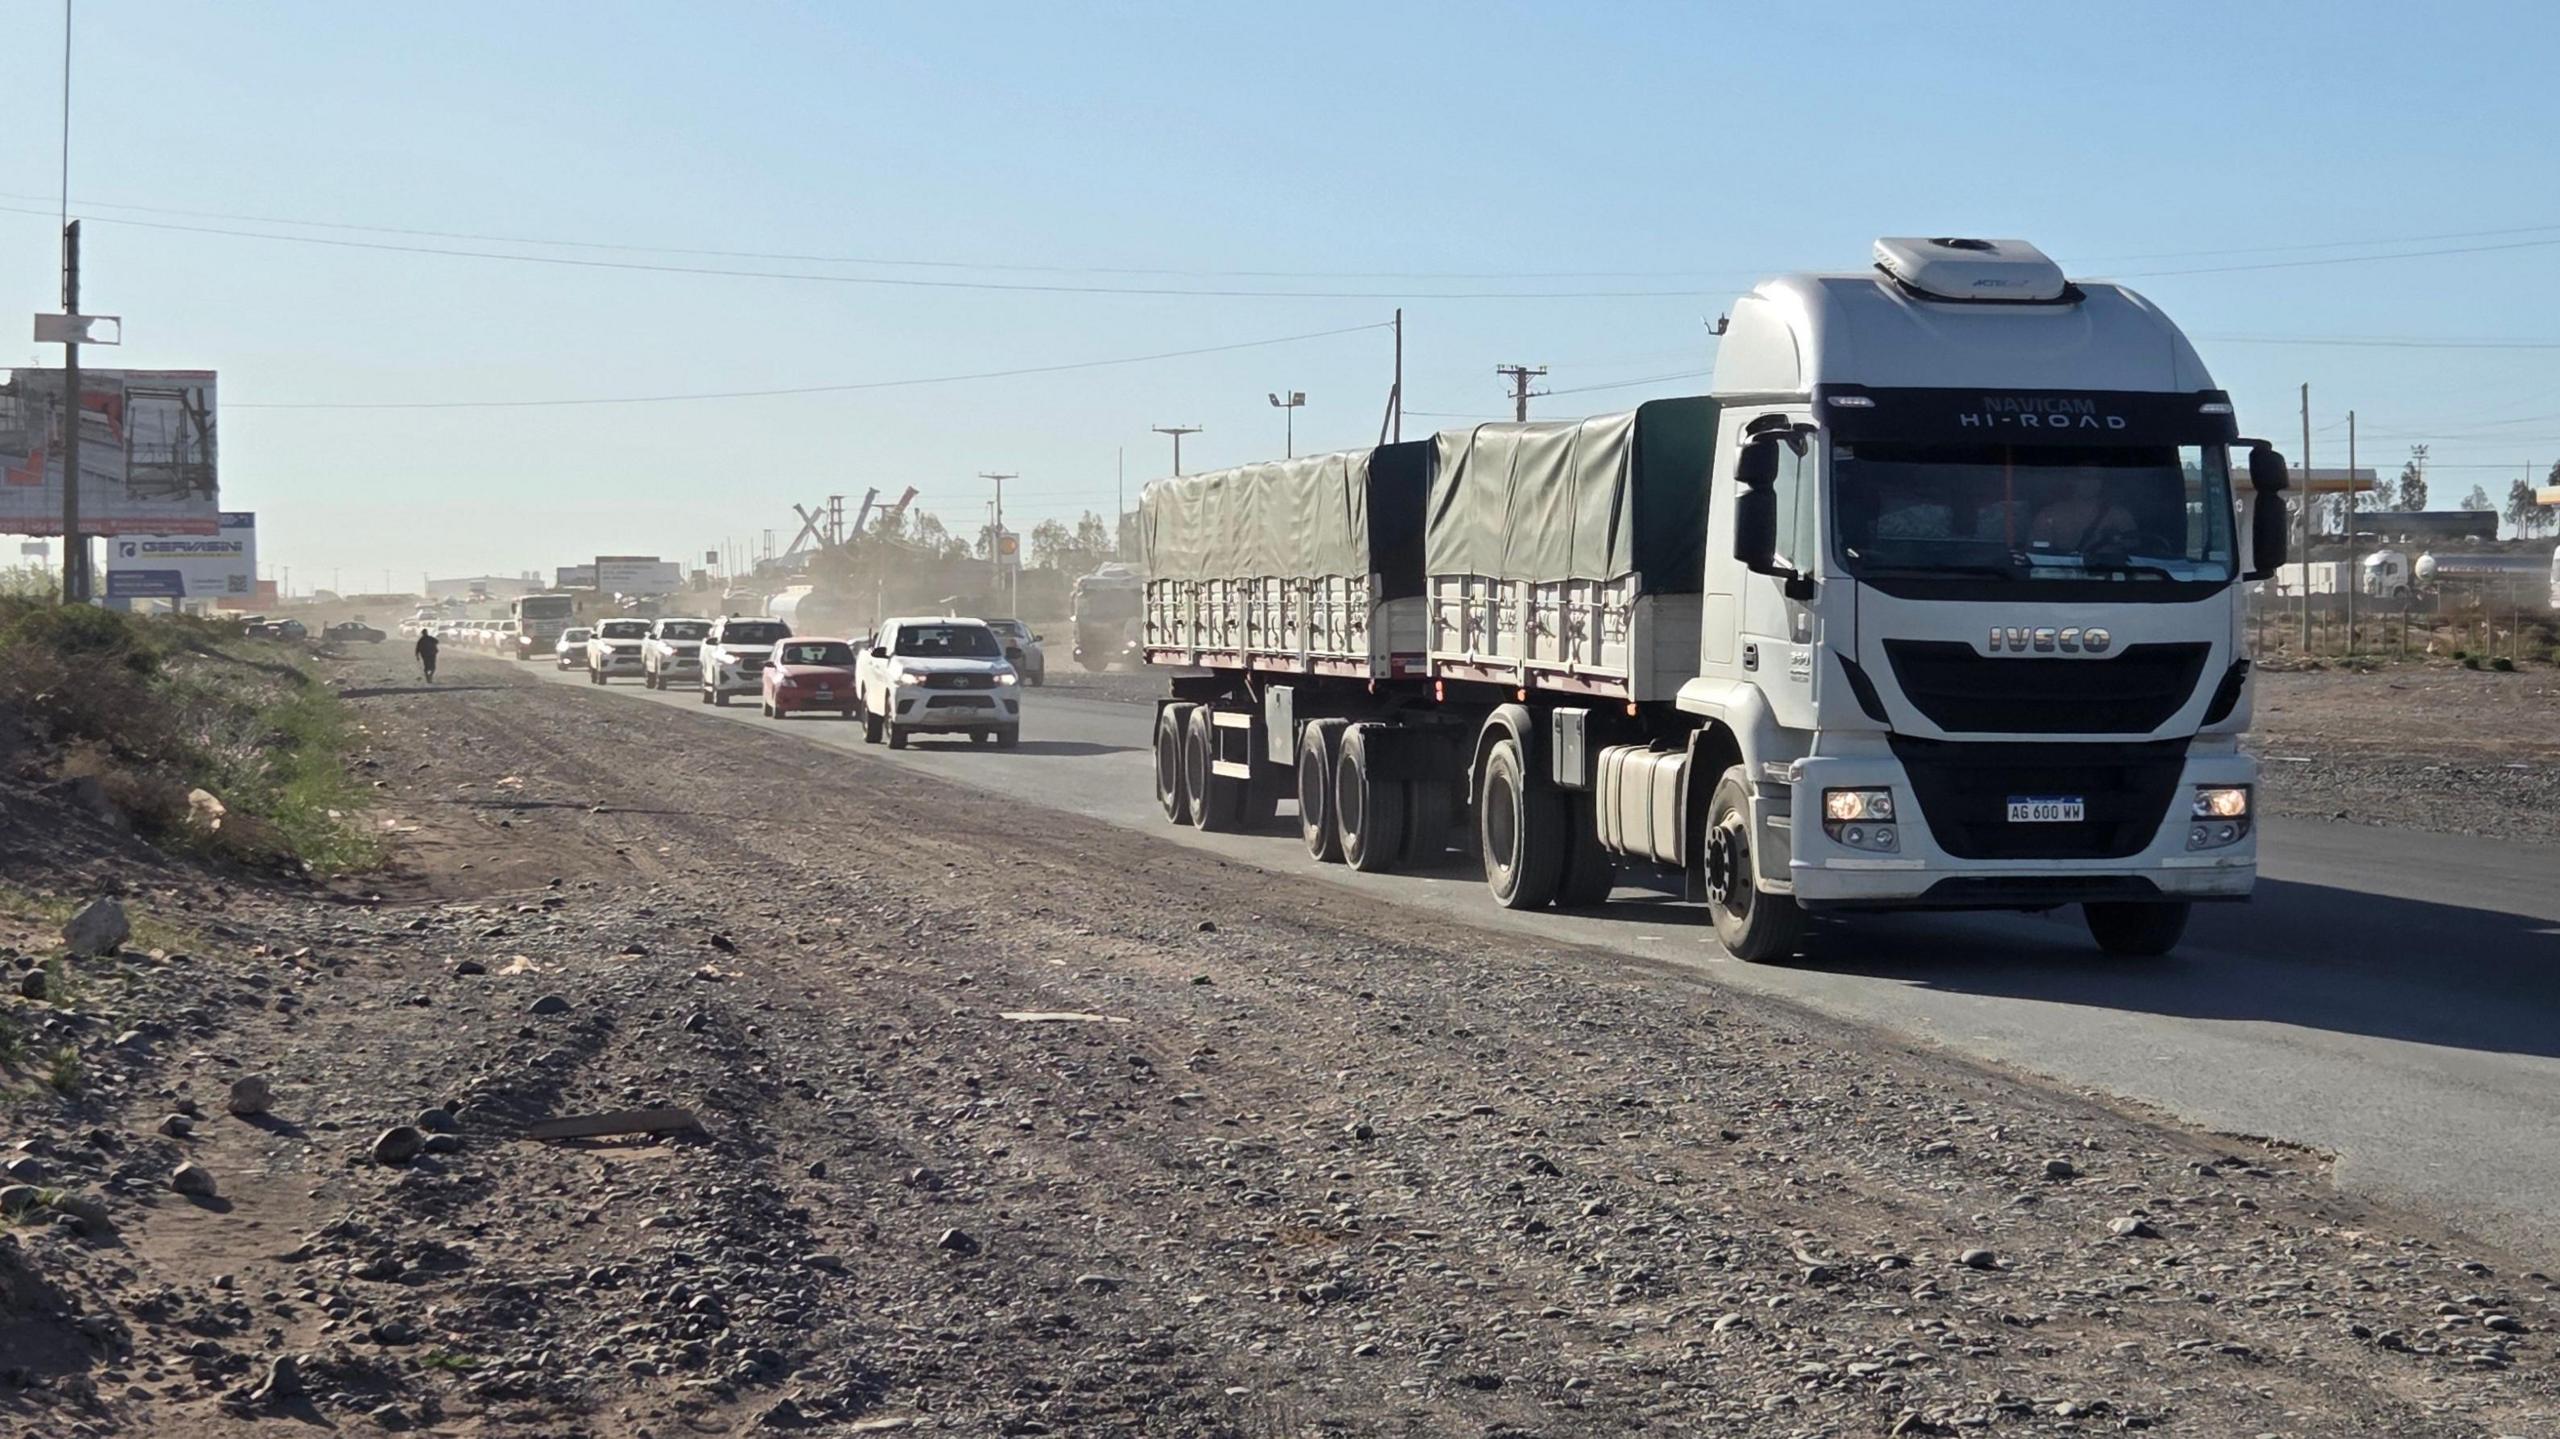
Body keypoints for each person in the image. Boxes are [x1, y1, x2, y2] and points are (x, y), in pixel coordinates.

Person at [2029, 473, 2135, 551]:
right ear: (2072, 481)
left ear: (2102, 482)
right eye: (2083, 477)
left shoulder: (2119, 514)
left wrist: (2115, 540)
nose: (2090, 482)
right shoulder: (2049, 514)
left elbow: (2134, 548)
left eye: (2095, 477)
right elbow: (2038, 551)